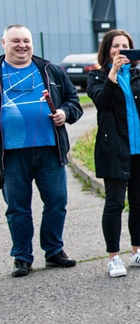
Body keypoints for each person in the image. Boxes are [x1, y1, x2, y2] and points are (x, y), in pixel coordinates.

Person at [1, 24, 82, 278]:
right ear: (4, 43)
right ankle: (22, 257)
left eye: (26, 40)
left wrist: (64, 113)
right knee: (17, 207)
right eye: (16, 41)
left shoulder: (50, 70)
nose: (22, 45)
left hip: (50, 150)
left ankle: (54, 251)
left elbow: (74, 103)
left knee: (57, 202)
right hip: (11, 154)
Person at [87, 30, 140, 278]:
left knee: (139, 202)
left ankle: (137, 251)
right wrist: (112, 75)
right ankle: (113, 257)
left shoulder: (135, 74)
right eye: (115, 46)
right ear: (107, 50)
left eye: (125, 45)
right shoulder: (97, 76)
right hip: (114, 149)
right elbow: (102, 102)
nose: (120, 49)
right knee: (114, 202)